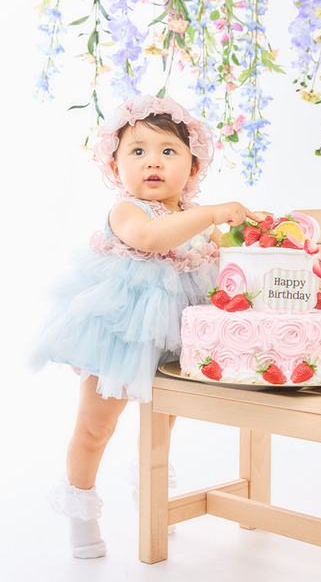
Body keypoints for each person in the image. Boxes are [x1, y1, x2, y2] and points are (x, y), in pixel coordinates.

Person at [31, 94, 259, 559]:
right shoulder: (129, 212)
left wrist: (251, 236)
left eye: (168, 151)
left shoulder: (200, 223)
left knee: (163, 423)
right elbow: (150, 239)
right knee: (96, 426)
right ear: (116, 168)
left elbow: (234, 264)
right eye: (137, 151)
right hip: (118, 333)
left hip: (177, 335)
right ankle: (82, 513)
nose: (152, 161)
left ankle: (151, 497)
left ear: (193, 168)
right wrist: (212, 213)